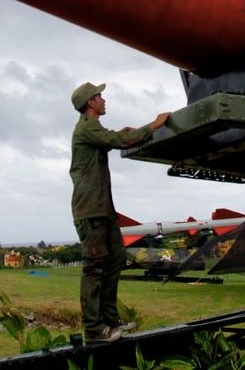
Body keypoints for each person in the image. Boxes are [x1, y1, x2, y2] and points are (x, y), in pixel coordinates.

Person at [69, 81, 170, 343]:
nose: (103, 99)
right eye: (99, 96)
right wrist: (154, 125)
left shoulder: (93, 129)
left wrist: (128, 132)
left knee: (116, 259)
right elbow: (117, 140)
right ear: (90, 103)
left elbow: (113, 137)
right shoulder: (86, 128)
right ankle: (94, 330)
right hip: (90, 210)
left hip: (102, 209)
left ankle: (111, 321)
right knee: (93, 268)